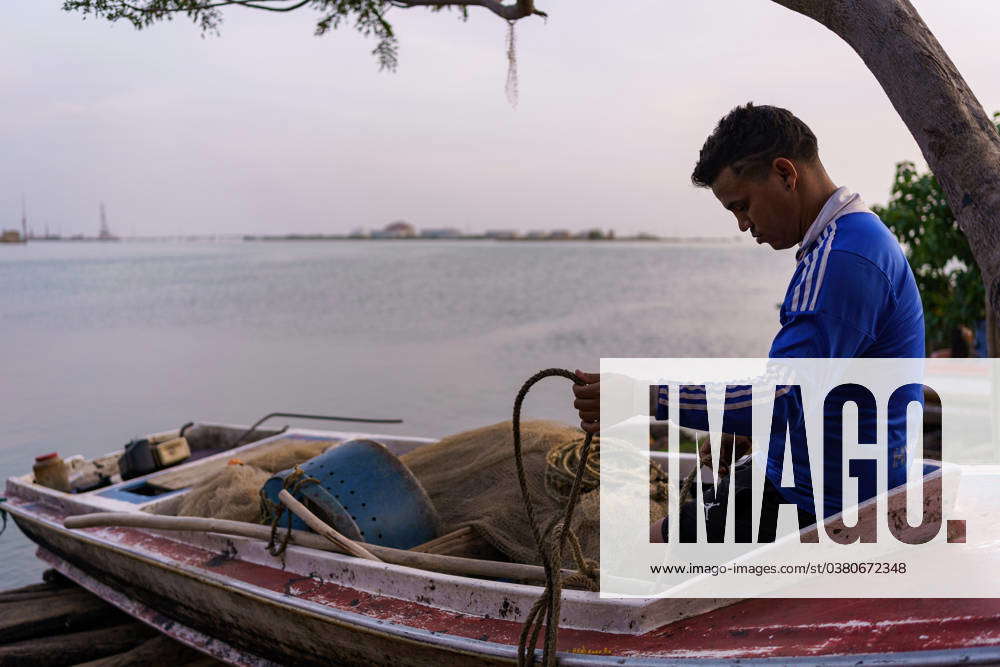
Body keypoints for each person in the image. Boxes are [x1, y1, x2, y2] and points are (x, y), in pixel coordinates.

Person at [571, 103, 925, 543]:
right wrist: (744, 431)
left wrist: (644, 397)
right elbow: (803, 392)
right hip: (810, 474)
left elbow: (778, 401)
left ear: (785, 174)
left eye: (742, 205)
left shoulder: (844, 261)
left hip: (827, 505)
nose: (743, 225)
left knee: (643, 554)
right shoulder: (851, 240)